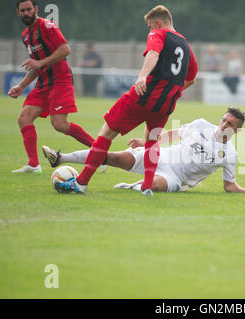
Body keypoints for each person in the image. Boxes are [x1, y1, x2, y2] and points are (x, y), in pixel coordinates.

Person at [57, 5, 198, 196]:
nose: (150, 30)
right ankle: (147, 186)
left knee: (106, 133)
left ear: (157, 23)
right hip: (165, 104)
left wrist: (142, 77)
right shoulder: (185, 45)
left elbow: (153, 54)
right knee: (151, 141)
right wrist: (173, 91)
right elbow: (191, 77)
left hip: (145, 95)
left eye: (150, 27)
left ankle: (81, 182)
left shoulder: (158, 34)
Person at [43, 109, 245, 194]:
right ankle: (60, 158)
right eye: (224, 120)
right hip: (161, 156)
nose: (224, 125)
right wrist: (146, 141)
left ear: (237, 130)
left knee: (156, 186)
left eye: (230, 124)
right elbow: (173, 134)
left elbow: (228, 185)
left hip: (176, 178)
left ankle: (131, 186)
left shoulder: (231, 155)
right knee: (112, 157)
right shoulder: (201, 125)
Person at [8, 0, 95, 174]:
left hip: (60, 80)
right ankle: (34, 165)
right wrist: (21, 85)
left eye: (29, 9)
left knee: (60, 124)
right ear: (18, 12)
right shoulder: (26, 35)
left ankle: (100, 150)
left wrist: (40, 62)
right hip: (43, 84)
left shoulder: (47, 26)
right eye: (23, 10)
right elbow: (36, 66)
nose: (26, 13)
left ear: (36, 10)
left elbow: (65, 49)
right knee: (24, 118)